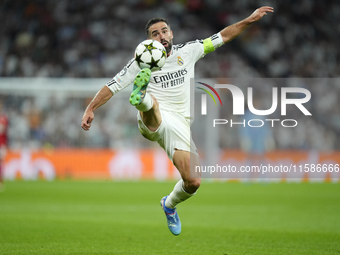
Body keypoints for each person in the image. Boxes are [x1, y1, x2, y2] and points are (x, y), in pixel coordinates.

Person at [81, 6, 274, 235]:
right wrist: (90, 108)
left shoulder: (190, 51)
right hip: (153, 119)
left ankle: (169, 205)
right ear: (149, 41)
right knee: (151, 104)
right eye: (155, 34)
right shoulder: (140, 61)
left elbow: (223, 36)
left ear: (171, 34)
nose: (161, 36)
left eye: (164, 31)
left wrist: (249, 20)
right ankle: (141, 98)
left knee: (193, 182)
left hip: (180, 125)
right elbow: (112, 86)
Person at [0, 101, 9, 188]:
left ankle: (1, 181)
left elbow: (2, 130)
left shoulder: (3, 118)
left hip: (1, 144)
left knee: (1, 162)